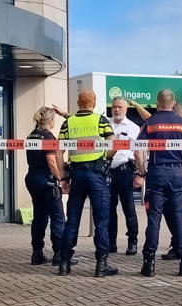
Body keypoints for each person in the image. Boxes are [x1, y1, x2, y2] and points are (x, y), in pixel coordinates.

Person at [132, 89, 182, 277]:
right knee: (178, 219)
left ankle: (149, 263)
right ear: (173, 102)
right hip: (177, 173)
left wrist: (143, 171)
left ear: (157, 103)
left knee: (154, 219)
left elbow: (138, 151)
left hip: (156, 173)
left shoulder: (150, 123)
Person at [57, 90, 119, 277]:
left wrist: (63, 178)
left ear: (78, 102)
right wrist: (103, 158)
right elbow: (113, 145)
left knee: (73, 219)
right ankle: (101, 265)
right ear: (94, 102)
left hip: (77, 175)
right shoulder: (101, 121)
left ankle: (64, 263)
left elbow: (59, 152)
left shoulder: (69, 122)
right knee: (101, 220)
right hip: (97, 174)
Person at [25, 107, 67, 265]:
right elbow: (51, 161)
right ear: (50, 121)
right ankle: (58, 254)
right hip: (46, 179)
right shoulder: (48, 136)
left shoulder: (31, 135)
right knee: (57, 217)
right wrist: (61, 178)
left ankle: (37, 253)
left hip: (32, 178)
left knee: (39, 217)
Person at [107, 97, 141, 255]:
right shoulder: (105, 124)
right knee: (109, 209)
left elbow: (139, 152)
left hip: (125, 171)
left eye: (120, 107)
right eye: (114, 107)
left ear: (126, 109)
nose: (117, 110)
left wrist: (140, 174)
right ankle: (111, 243)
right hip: (108, 172)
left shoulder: (134, 127)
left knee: (129, 209)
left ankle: (132, 242)